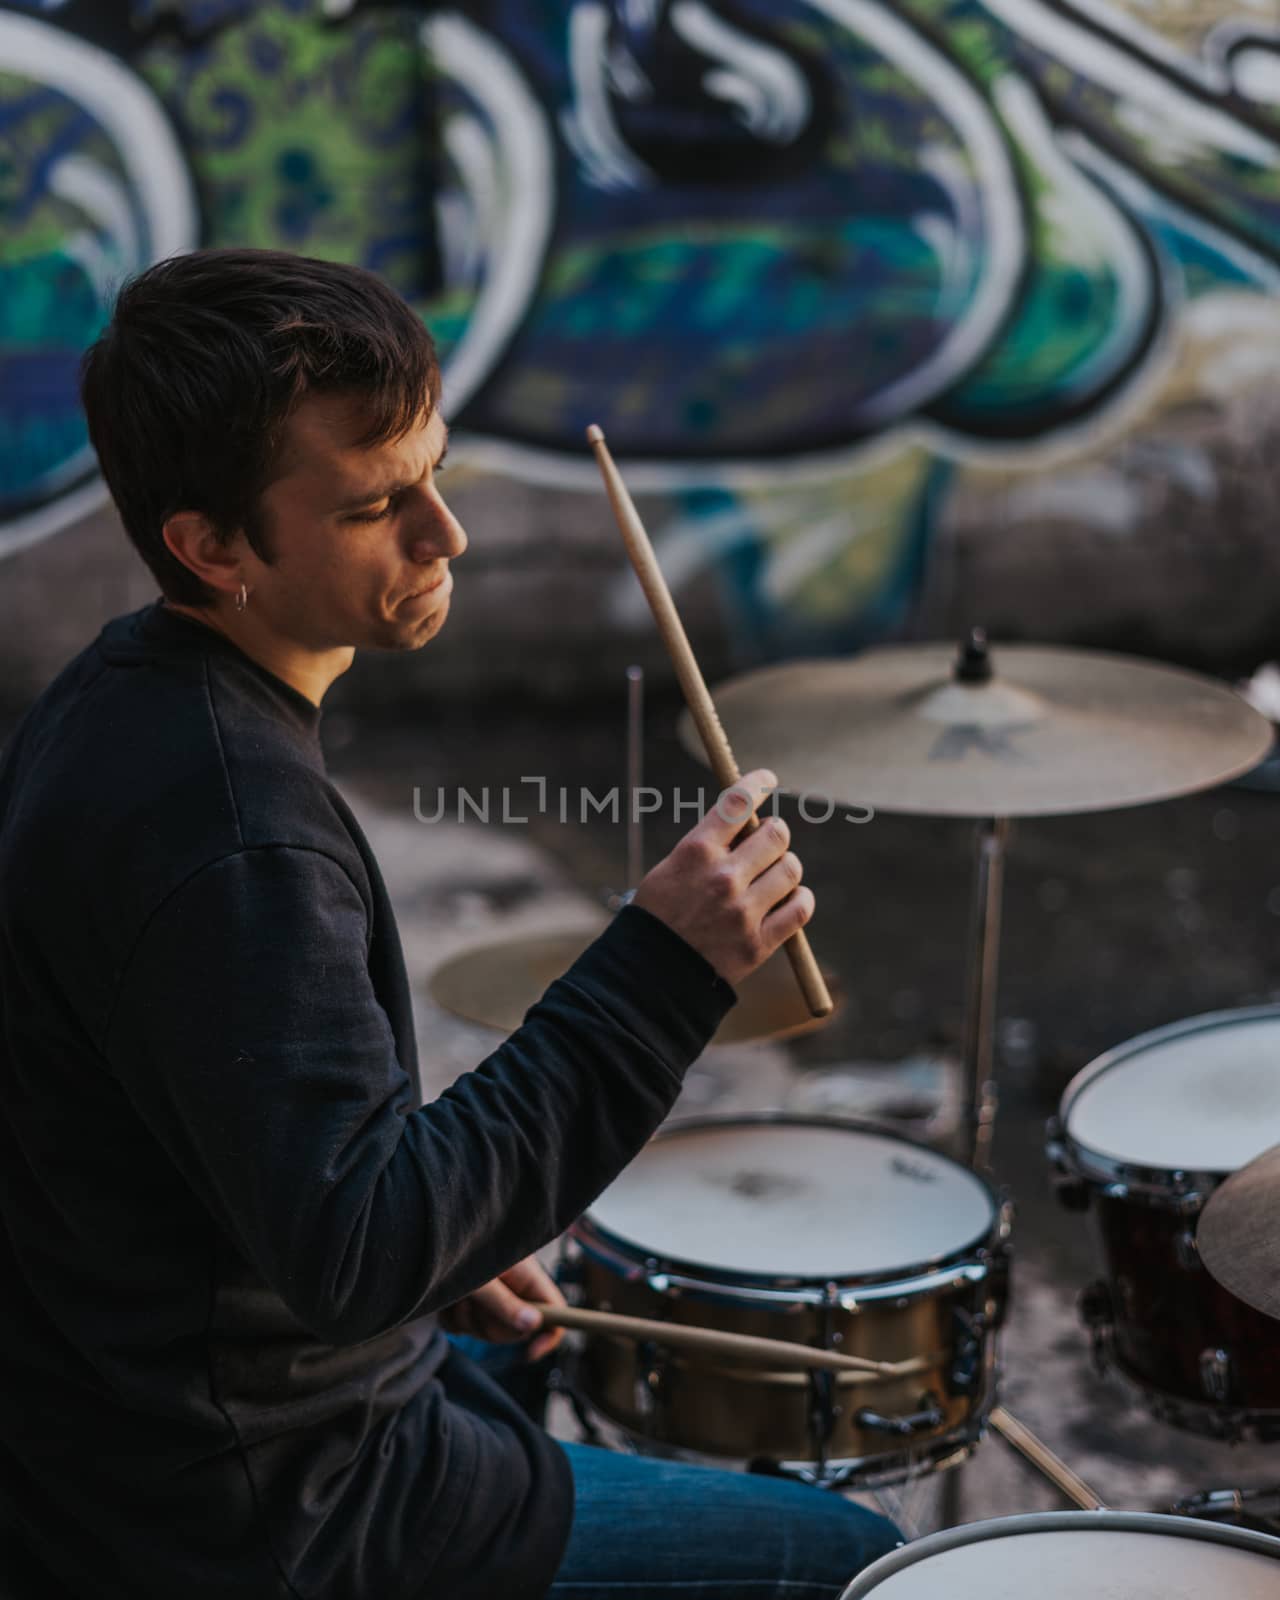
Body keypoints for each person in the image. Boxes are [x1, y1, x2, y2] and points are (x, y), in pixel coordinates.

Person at [0, 249, 900, 1599]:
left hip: (163, 1405)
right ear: (212, 545)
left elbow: (208, 1137)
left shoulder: (121, 701)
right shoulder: (233, 828)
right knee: (852, 1562)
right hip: (253, 1513)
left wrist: (442, 1258)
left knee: (513, 1349)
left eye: (436, 472)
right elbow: (358, 1248)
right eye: (378, 504)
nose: (446, 533)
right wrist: (660, 969)